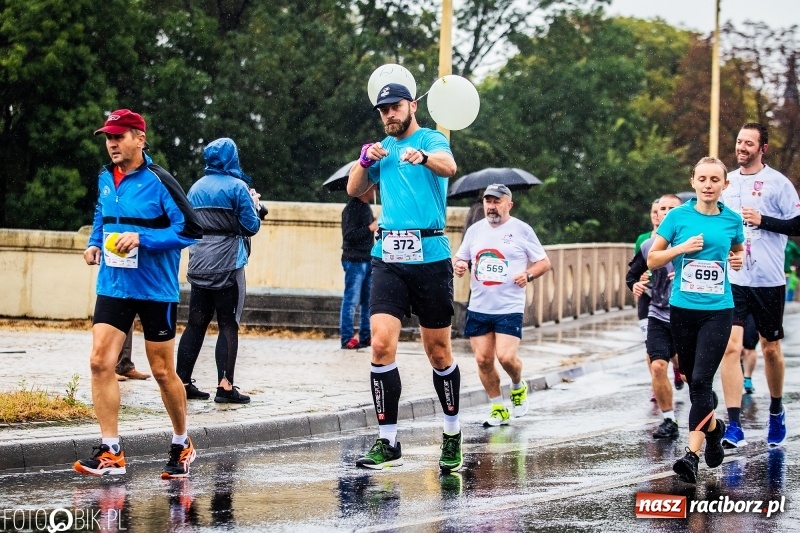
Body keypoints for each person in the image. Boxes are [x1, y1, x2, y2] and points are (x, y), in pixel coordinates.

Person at [76, 109, 203, 478]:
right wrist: (94, 243)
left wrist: (144, 238)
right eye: (108, 137)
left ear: (139, 139)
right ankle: (111, 451)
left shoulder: (160, 181)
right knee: (101, 362)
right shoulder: (105, 178)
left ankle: (182, 442)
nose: (112, 143)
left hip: (154, 291)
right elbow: (102, 216)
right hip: (113, 285)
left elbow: (191, 229)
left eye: (119, 136)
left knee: (163, 371)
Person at [347, 82, 461, 472]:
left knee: (438, 353)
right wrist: (363, 162)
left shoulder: (431, 138)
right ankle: (388, 441)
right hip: (389, 257)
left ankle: (451, 433)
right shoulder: (381, 148)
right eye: (383, 110)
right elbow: (353, 189)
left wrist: (426, 156)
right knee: (380, 346)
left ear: (412, 105)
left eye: (395, 108)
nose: (389, 115)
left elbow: (450, 167)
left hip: (430, 257)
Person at [647, 156, 744, 484]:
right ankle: (715, 430)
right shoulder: (677, 217)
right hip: (683, 310)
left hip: (718, 310)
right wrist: (681, 248)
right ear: (693, 182)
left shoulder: (731, 220)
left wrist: (738, 259)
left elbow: (739, 250)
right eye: (702, 179)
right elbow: (652, 258)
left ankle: (691, 455)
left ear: (724, 185)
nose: (707, 185)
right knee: (690, 378)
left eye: (715, 180)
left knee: (702, 380)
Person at [718, 122, 800, 449]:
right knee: (732, 347)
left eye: (749, 143)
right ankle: (734, 424)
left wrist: (762, 221)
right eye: (739, 141)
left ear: (762, 148)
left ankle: (777, 409)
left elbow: (798, 224)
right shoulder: (727, 183)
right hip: (734, 279)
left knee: (769, 348)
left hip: (768, 281)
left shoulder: (778, 184)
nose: (742, 147)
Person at [175, 138, 266, 404]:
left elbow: (188, 225)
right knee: (228, 324)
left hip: (200, 262)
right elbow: (251, 227)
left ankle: (182, 381)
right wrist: (255, 205)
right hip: (228, 263)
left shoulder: (195, 188)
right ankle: (225, 386)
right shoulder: (238, 187)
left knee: (195, 323)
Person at [454, 184, 550, 427]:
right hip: (479, 305)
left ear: (509, 204)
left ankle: (518, 386)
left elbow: (544, 262)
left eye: (497, 201)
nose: (492, 206)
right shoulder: (475, 230)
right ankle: (498, 407)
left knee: (506, 357)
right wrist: (460, 265)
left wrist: (528, 275)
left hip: (509, 306)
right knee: (483, 360)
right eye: (488, 201)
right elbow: (461, 256)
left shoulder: (522, 230)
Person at [626, 193, 683, 440]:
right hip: (658, 314)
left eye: (672, 208)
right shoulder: (648, 246)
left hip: (686, 316)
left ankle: (701, 395)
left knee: (687, 369)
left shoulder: (695, 244)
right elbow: (632, 275)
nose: (666, 212)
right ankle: (669, 419)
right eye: (662, 208)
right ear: (656, 215)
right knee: (658, 365)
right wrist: (635, 286)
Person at [634, 200, 683, 392]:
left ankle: (679, 369)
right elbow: (636, 268)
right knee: (652, 346)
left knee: (673, 348)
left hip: (676, 301)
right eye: (657, 211)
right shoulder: (644, 241)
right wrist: (638, 280)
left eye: (667, 209)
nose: (659, 214)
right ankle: (657, 385)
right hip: (650, 299)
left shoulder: (685, 237)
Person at [339, 184, 378, 349]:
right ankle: (347, 337)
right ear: (365, 189)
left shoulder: (366, 208)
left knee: (367, 301)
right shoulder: (351, 209)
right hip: (354, 260)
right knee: (351, 300)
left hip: (367, 258)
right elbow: (349, 235)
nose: (375, 191)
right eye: (373, 187)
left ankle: (365, 335)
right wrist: (369, 228)